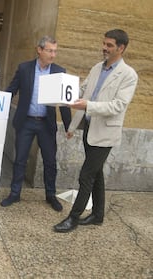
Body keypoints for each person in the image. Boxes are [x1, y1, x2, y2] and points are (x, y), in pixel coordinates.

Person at [54, 29, 138, 232]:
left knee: (86, 175)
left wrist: (88, 106)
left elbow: (118, 106)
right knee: (96, 173)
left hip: (106, 134)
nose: (104, 48)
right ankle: (98, 215)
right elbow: (83, 91)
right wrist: (63, 93)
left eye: (109, 45)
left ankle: (73, 218)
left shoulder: (128, 75)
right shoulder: (96, 68)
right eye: (104, 44)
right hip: (90, 129)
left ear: (121, 48)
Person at [0, 36, 71, 211]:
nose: (53, 55)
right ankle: (15, 193)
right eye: (50, 50)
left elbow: (64, 102)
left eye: (55, 51)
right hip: (26, 122)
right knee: (20, 160)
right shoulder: (24, 69)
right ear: (39, 50)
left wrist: (69, 126)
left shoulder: (59, 71)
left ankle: (51, 195)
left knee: (50, 161)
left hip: (46, 124)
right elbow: (11, 90)